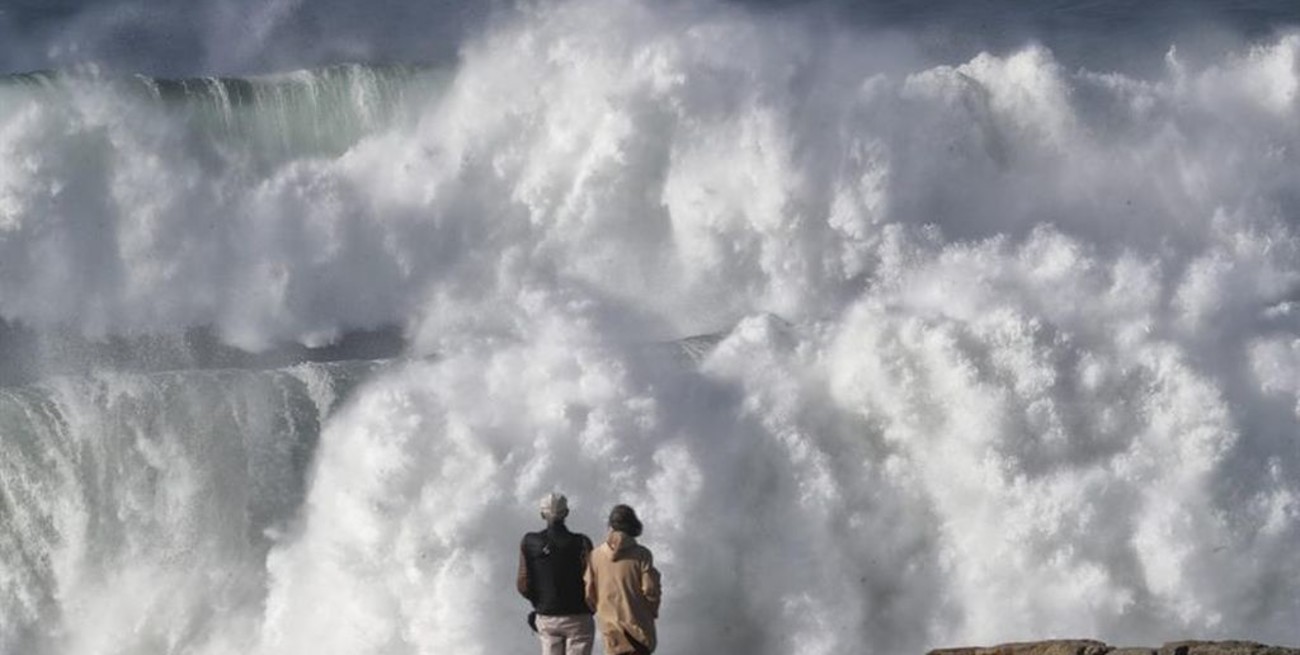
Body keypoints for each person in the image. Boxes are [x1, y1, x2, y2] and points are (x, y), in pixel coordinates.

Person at [518, 492, 596, 655]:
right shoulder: (582, 542)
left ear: (541, 514)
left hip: (547, 616)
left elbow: (523, 585)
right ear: (566, 513)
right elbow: (593, 581)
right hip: (579, 616)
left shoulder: (529, 541)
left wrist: (540, 603)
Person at [584, 505, 661, 655]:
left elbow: (589, 594)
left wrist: (601, 611)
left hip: (610, 633)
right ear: (633, 525)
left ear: (611, 525)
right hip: (639, 631)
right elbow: (650, 590)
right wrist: (652, 611)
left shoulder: (595, 556)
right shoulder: (642, 555)